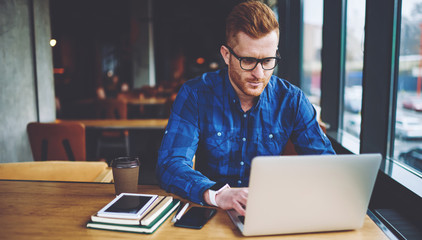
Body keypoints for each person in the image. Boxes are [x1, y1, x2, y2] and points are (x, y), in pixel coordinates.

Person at [156, 0, 335, 216]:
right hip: (212, 212)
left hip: (270, 213)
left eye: (268, 60)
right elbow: (170, 165)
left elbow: (327, 167)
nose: (259, 74)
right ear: (226, 55)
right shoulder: (195, 94)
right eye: (248, 60)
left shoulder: (292, 100)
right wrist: (218, 194)